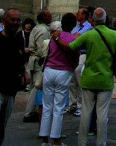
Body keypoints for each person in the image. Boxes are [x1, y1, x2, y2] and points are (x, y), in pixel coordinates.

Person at [53, 7, 116, 146]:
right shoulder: (114, 35)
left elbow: (70, 47)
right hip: (105, 78)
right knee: (102, 114)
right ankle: (101, 142)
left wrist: (56, 38)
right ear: (105, 19)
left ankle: (82, 141)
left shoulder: (88, 35)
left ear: (93, 20)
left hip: (89, 78)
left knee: (86, 112)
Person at [39, 14, 77, 146]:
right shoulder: (72, 38)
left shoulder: (54, 36)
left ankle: (44, 138)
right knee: (58, 107)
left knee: (47, 105)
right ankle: (56, 139)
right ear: (73, 25)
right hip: (63, 71)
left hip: (49, 70)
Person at [0, 8, 27, 145]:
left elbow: (19, 62)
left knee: (2, 127)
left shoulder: (19, 40)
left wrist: (24, 73)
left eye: (18, 20)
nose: (15, 22)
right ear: (4, 21)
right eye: (12, 19)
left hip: (11, 91)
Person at [24, 9, 51, 122]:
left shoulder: (38, 28)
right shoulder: (43, 30)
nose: (51, 17)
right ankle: (29, 113)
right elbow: (42, 48)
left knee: (33, 87)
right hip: (38, 61)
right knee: (36, 87)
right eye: (49, 15)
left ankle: (31, 111)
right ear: (44, 17)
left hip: (33, 59)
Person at [68, 7, 93, 117]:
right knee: (72, 80)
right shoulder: (76, 26)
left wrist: (72, 37)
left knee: (80, 78)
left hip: (83, 54)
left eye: (78, 13)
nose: (76, 15)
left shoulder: (88, 27)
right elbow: (71, 36)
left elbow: (76, 37)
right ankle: (72, 104)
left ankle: (80, 105)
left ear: (83, 16)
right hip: (74, 54)